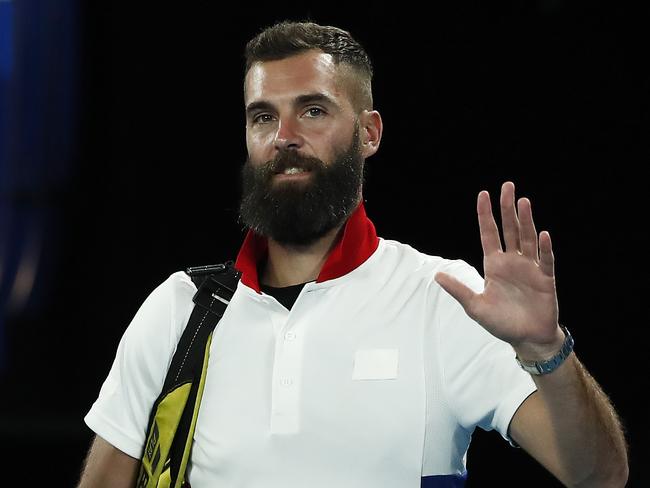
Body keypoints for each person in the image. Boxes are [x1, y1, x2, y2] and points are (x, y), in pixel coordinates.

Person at [77, 21, 628, 488]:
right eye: (263, 116)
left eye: (312, 111)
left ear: (369, 132)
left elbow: (599, 476)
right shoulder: (179, 310)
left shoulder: (443, 296)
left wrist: (545, 350)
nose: (284, 136)